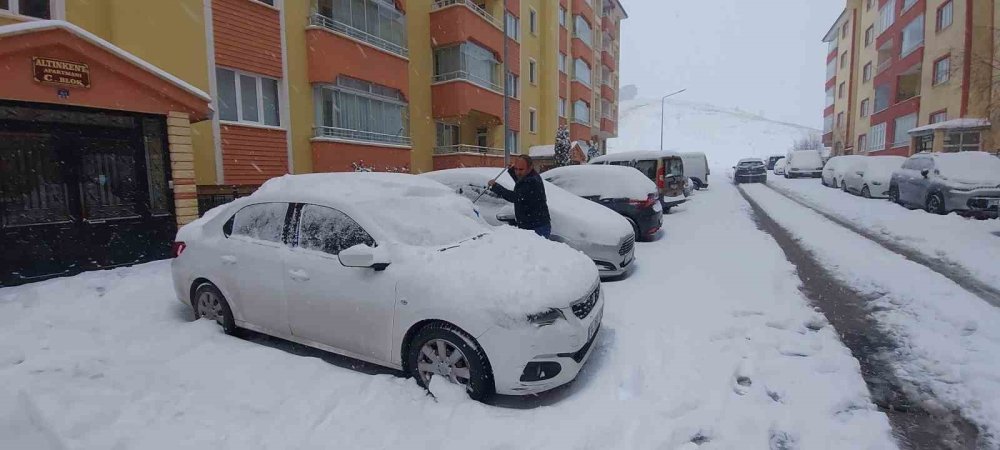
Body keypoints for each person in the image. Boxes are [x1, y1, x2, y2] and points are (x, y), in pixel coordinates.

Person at [487, 155, 552, 238]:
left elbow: (515, 197)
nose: (517, 172)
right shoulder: (529, 176)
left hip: (537, 228)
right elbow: (520, 181)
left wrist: (495, 187)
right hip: (531, 225)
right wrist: (511, 170)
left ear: (530, 167)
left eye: (520, 169)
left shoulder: (532, 182)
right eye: (516, 169)